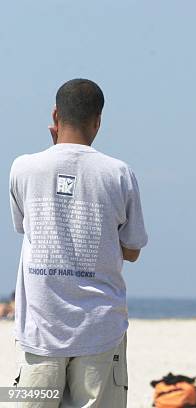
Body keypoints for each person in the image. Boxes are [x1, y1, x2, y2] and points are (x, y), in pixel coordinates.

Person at [9, 78, 148, 407]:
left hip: (40, 329)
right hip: (100, 329)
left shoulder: (23, 167)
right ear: (98, 120)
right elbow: (132, 251)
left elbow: (25, 227)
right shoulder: (119, 173)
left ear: (55, 116)